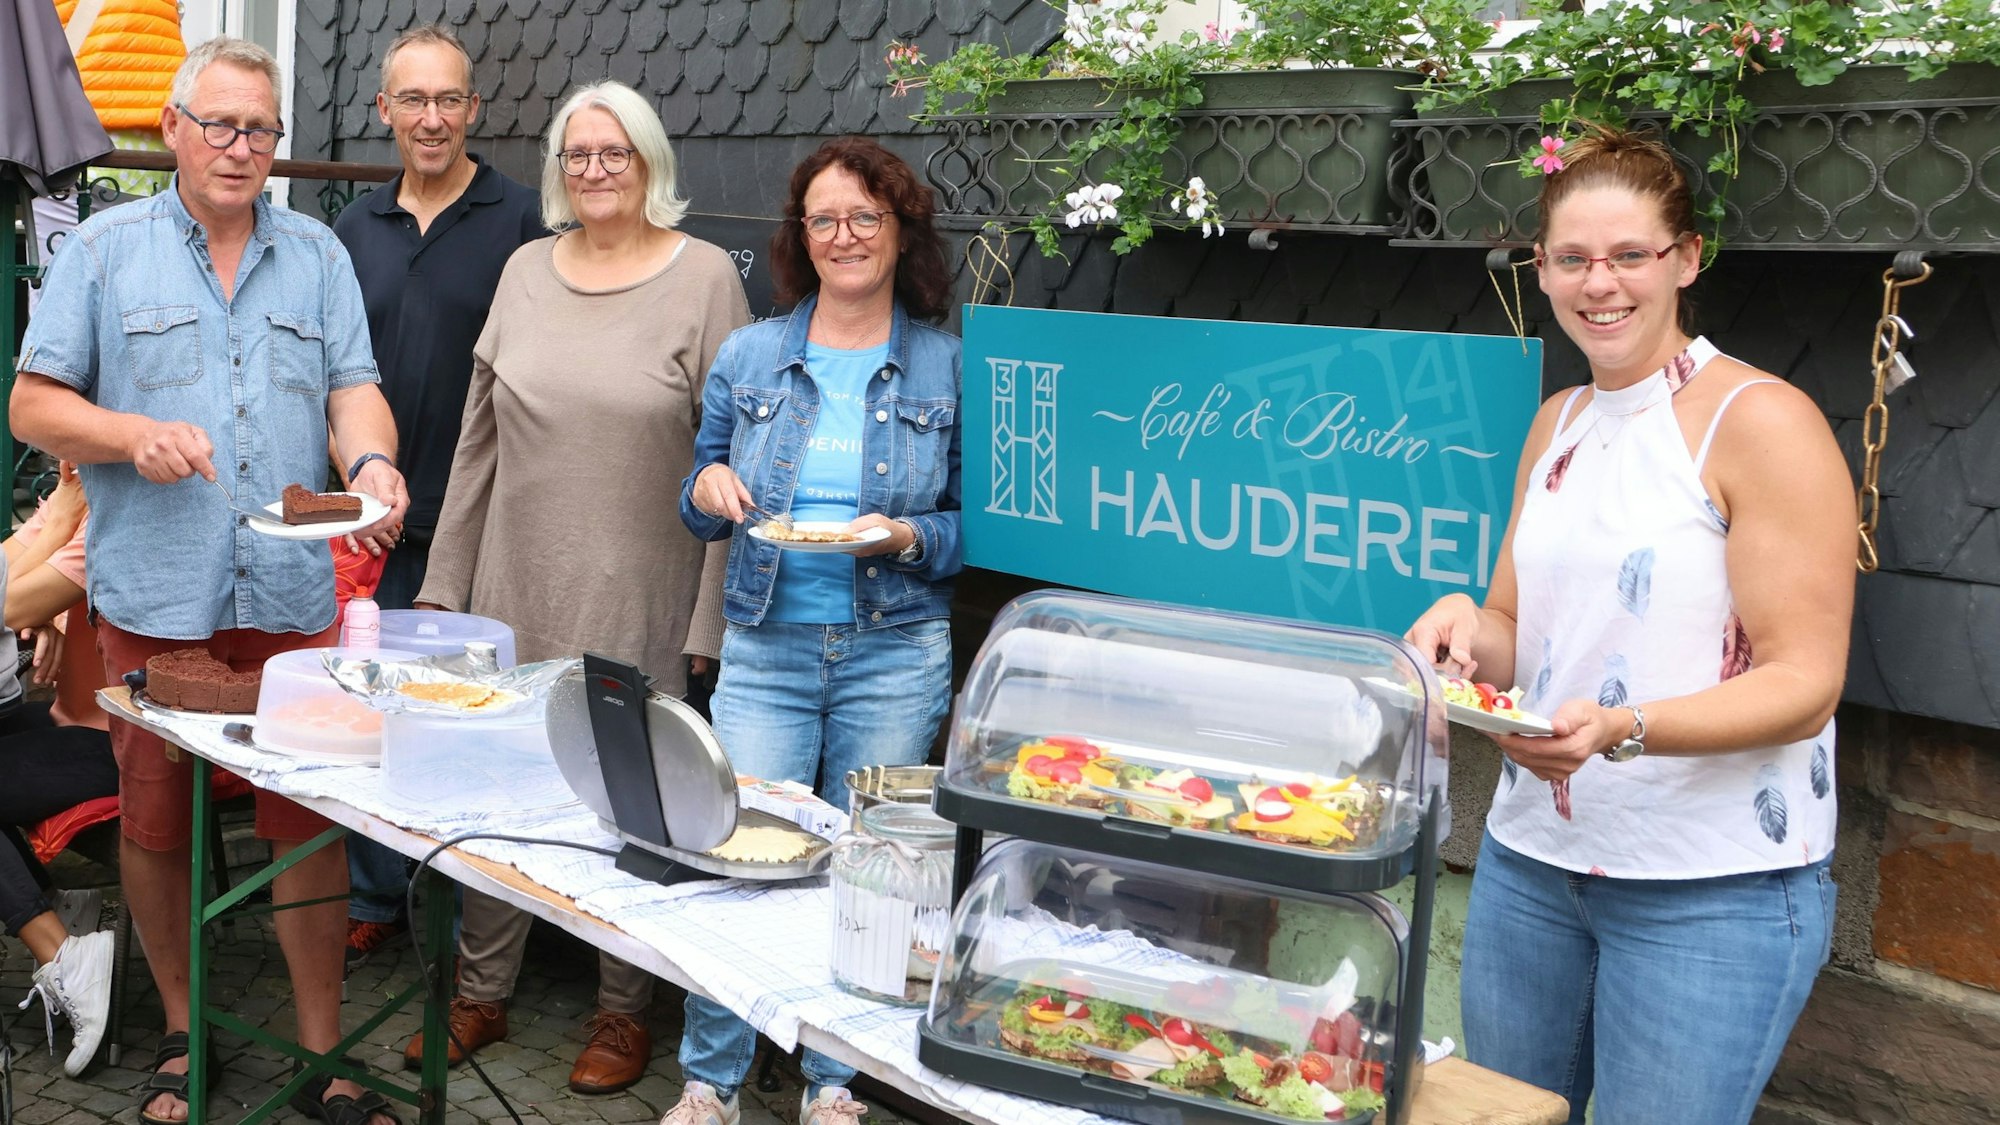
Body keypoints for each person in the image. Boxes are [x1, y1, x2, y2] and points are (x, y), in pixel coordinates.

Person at [1403, 126, 1852, 1125]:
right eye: (1571, 259)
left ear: (1684, 260)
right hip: (1532, 866)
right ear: (1542, 269)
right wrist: (1462, 628)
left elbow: (1801, 681)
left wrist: (1621, 728)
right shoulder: (1557, 418)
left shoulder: (1760, 420)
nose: (1596, 283)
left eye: (1627, 256)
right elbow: (1521, 627)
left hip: (1710, 885)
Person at [11, 37, 410, 1125]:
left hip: (287, 598)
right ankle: (187, 1036)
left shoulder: (319, 254)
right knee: (154, 819)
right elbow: (33, 406)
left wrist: (368, 459)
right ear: (176, 129)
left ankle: (324, 1052)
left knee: (303, 821)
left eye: (262, 130)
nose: (241, 148)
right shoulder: (102, 251)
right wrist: (125, 432)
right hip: (153, 597)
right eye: (221, 124)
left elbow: (353, 389)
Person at [406, 79, 743, 1095]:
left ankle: (621, 1009)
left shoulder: (702, 283)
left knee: (630, 803)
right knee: (501, 782)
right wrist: (443, 585)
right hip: (514, 580)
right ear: (559, 169)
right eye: (578, 155)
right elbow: (477, 441)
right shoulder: (521, 270)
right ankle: (480, 990)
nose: (595, 171)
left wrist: (709, 616)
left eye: (616, 154)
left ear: (651, 165)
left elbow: (729, 460)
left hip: (643, 589)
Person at [672, 136, 963, 1125]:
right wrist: (706, 486)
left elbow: (977, 527)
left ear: (898, 230)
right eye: (824, 219)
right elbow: (701, 490)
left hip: (894, 651)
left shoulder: (944, 366)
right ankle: (709, 1083)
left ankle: (833, 1084)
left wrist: (907, 535)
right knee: (735, 862)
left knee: (867, 875)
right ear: (801, 235)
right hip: (765, 649)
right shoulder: (753, 352)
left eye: (865, 218)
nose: (844, 237)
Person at [330, 22, 543, 970]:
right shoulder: (348, 230)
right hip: (367, 522)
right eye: (411, 99)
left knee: (463, 718)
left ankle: (470, 929)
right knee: (371, 710)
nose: (430, 118)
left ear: (473, 109)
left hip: (476, 519)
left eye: (447, 99)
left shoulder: (523, 222)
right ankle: (374, 894)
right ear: (384, 110)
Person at [2, 463, 118, 1079]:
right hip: (69, 719)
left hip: (117, 740)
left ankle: (67, 953)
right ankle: (57, 914)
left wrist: (39, 598)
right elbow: (7, 576)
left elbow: (7, 599)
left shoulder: (105, 509)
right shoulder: (78, 497)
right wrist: (46, 607)